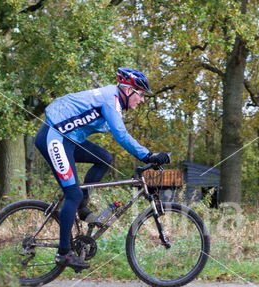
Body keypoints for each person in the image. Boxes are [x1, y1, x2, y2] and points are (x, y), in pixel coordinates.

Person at [35, 67, 170, 270]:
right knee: (72, 195)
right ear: (127, 90)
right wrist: (148, 155)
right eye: (140, 94)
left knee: (104, 158)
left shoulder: (112, 99)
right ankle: (64, 253)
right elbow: (121, 134)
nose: (141, 100)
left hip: (69, 140)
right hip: (54, 137)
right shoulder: (110, 99)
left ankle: (82, 203)